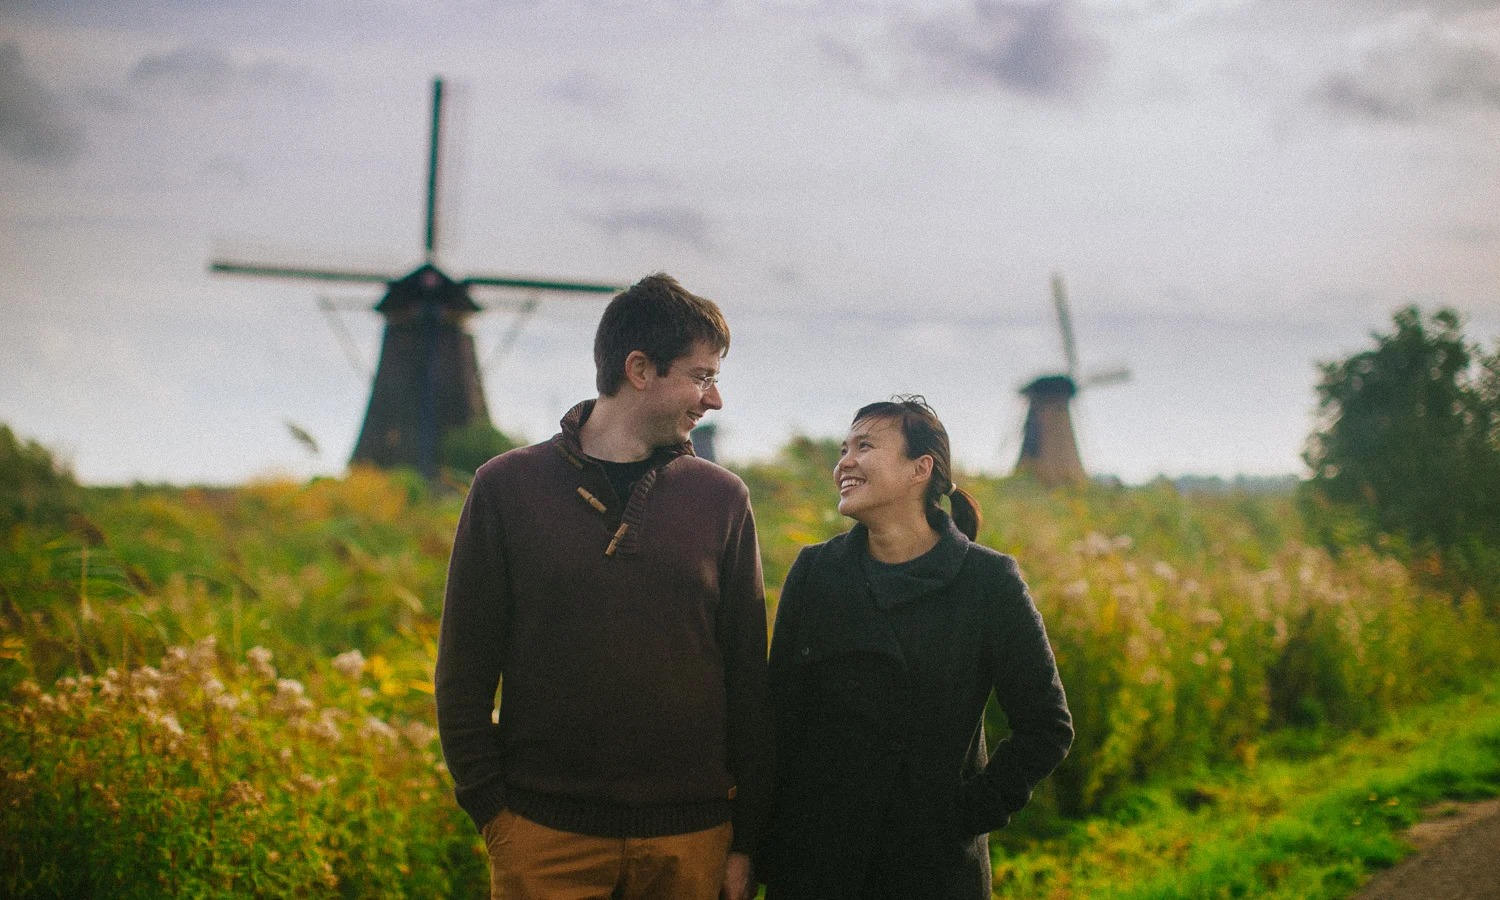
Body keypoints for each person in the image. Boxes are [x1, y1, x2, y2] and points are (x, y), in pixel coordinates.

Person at [435, 273, 771, 900]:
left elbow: (748, 680)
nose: (715, 399)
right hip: (544, 841)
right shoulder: (506, 487)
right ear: (640, 369)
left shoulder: (723, 499)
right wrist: (495, 815)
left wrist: (744, 838)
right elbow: (464, 667)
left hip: (691, 845)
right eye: (701, 376)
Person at [762, 396, 1073, 900]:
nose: (844, 461)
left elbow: (1046, 726)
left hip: (929, 871)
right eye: (844, 448)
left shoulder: (988, 582)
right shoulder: (815, 572)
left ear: (919, 469)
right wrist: (755, 848)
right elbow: (777, 718)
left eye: (865, 446)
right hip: (816, 863)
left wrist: (961, 818)